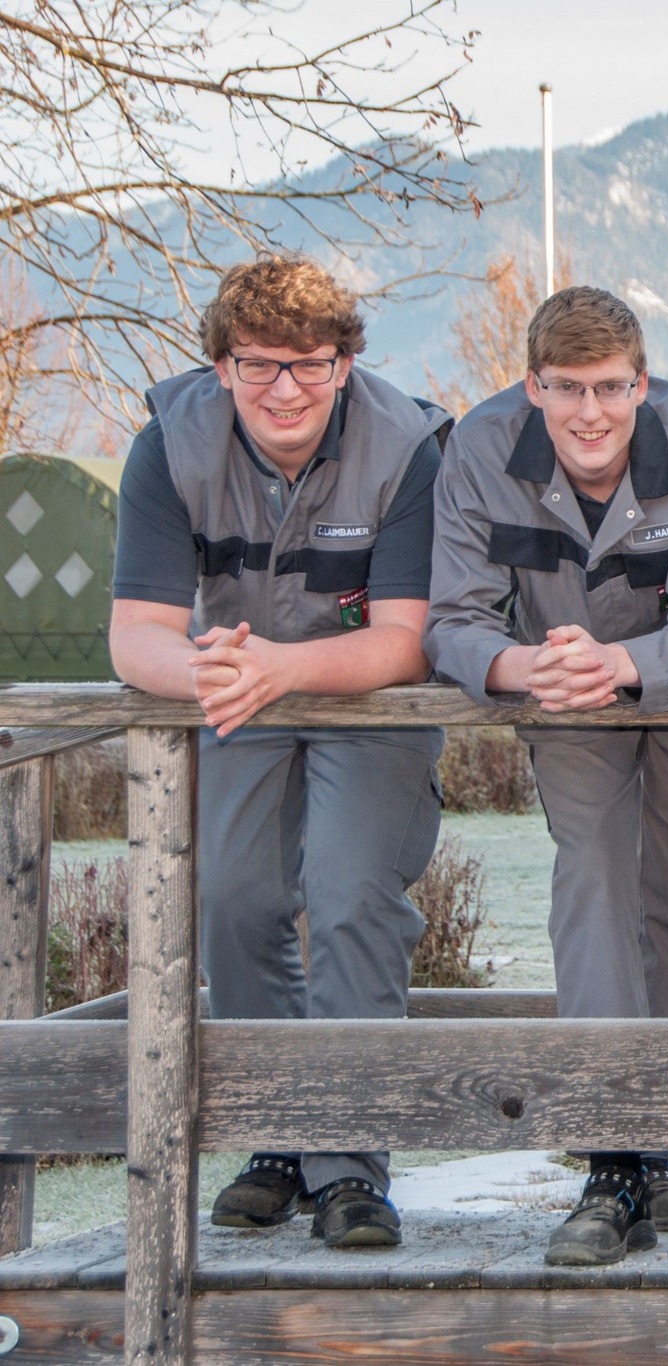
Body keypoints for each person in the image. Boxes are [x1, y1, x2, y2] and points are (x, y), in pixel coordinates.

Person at [108, 256, 449, 1249]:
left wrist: (281, 667)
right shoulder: (167, 447)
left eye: (309, 363)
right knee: (234, 895)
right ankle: (276, 1140)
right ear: (222, 367)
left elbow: (406, 638)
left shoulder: (408, 446)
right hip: (235, 690)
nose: (284, 388)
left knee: (349, 896)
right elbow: (136, 634)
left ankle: (350, 1168)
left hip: (366, 697)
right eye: (258, 364)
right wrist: (212, 672)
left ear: (344, 363)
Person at [426, 286, 668, 1266]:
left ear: (642, 384)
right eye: (566, 388)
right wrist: (523, 666)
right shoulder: (479, 448)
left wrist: (623, 662)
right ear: (532, 386)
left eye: (610, 387)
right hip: (560, 695)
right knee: (595, 884)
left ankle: (654, 1146)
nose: (589, 412)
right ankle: (613, 1160)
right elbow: (453, 617)